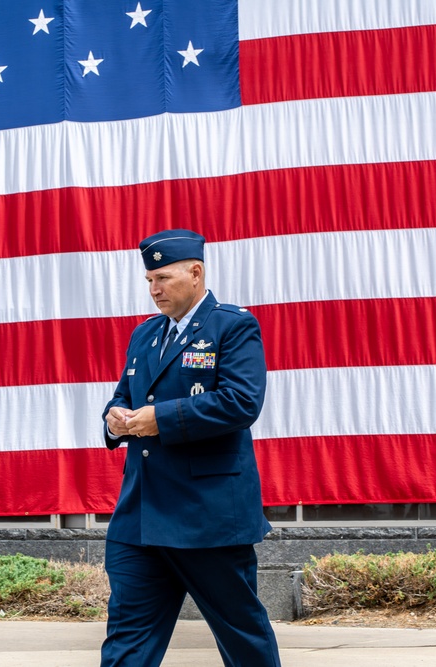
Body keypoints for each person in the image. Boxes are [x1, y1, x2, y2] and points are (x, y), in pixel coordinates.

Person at [99, 229, 281, 667]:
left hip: (207, 515)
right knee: (127, 638)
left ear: (195, 272)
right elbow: (125, 394)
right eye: (148, 281)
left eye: (162, 277)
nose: (154, 289)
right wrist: (115, 417)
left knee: (241, 634)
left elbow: (241, 402)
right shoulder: (145, 335)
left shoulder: (232, 325)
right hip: (141, 516)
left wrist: (158, 420)